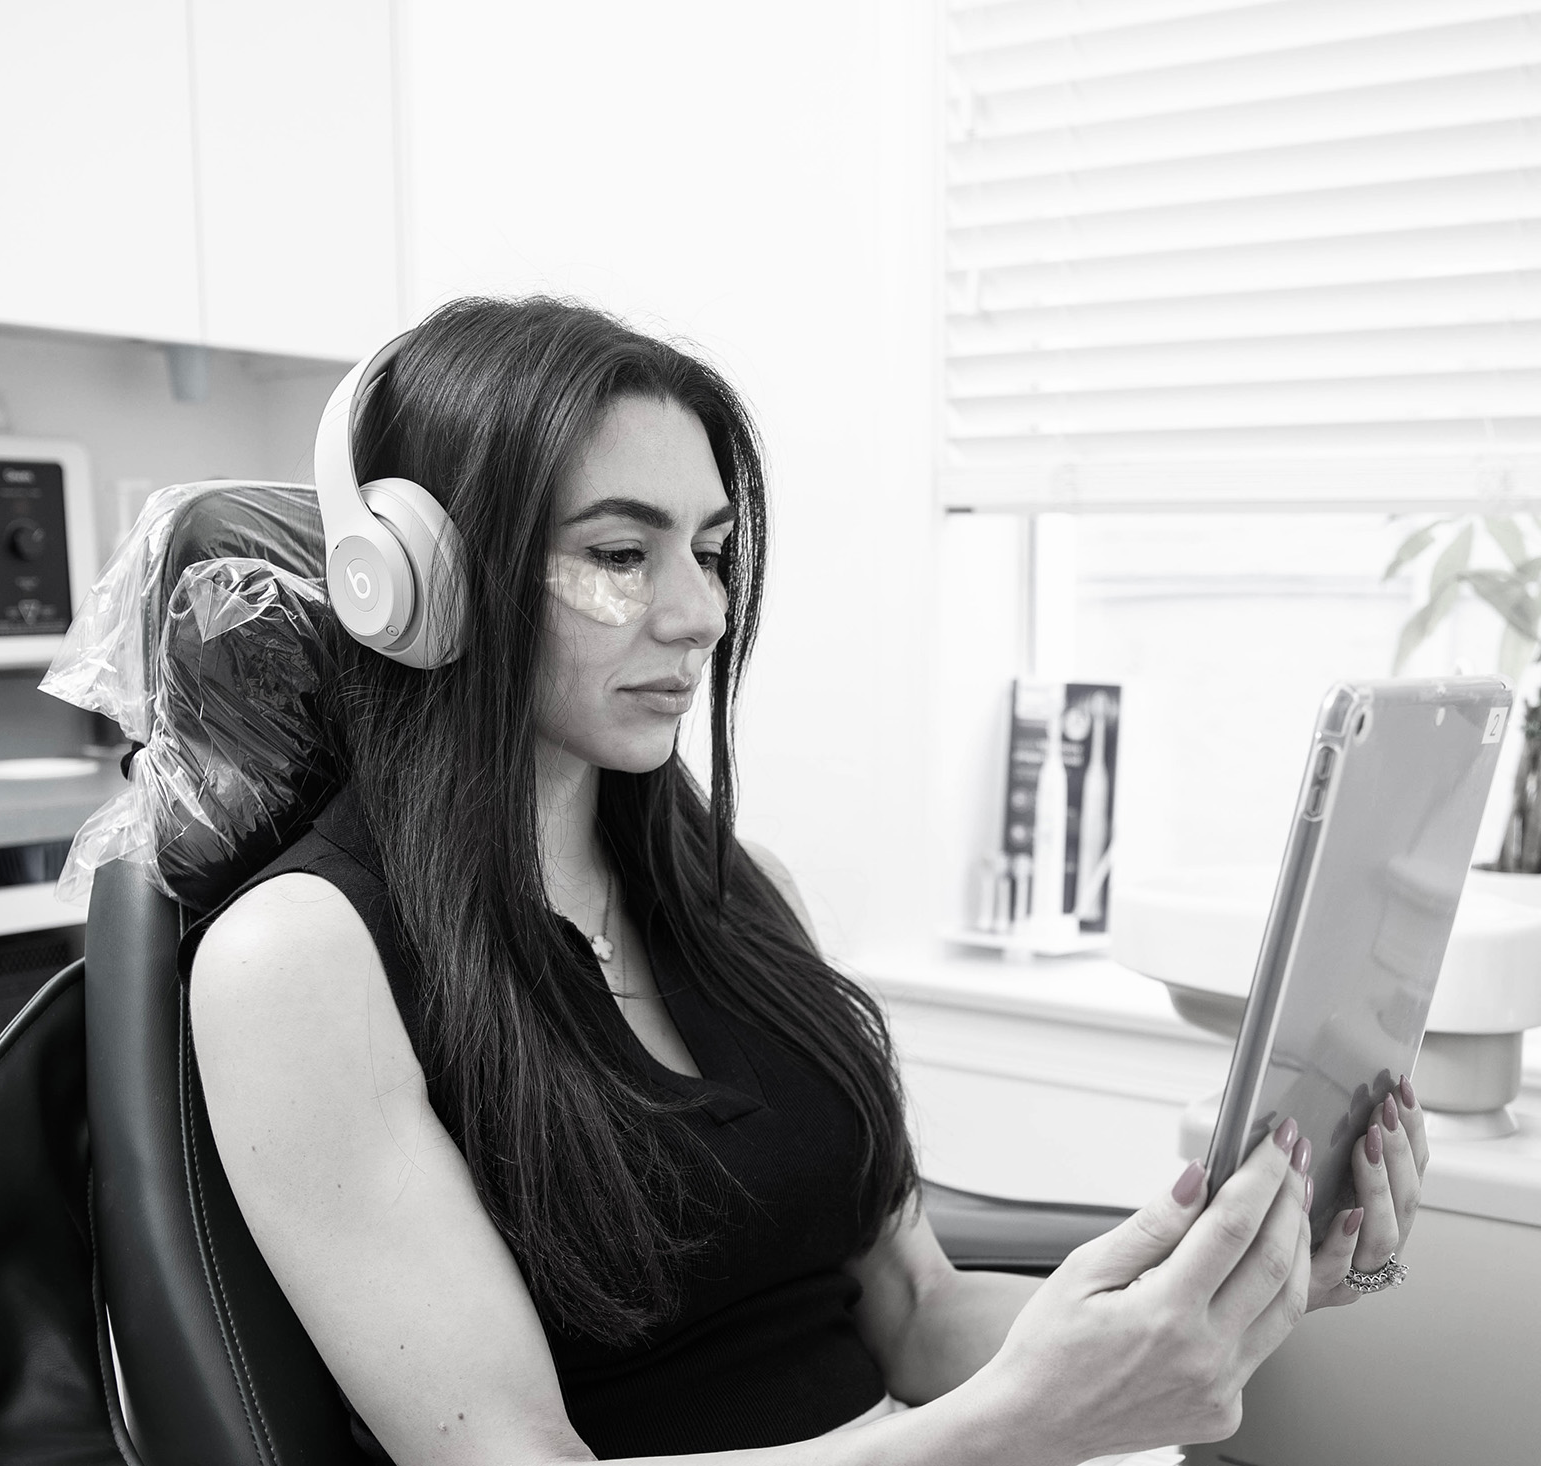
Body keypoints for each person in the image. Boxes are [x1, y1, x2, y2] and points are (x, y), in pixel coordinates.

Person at [186, 297, 1428, 1465]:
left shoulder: (739, 893)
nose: (700, 613)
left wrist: (1230, 1283)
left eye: (713, 552)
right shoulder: (299, 959)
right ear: (430, 582)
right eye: (621, 552)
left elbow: (919, 1310)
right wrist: (1013, 1426)